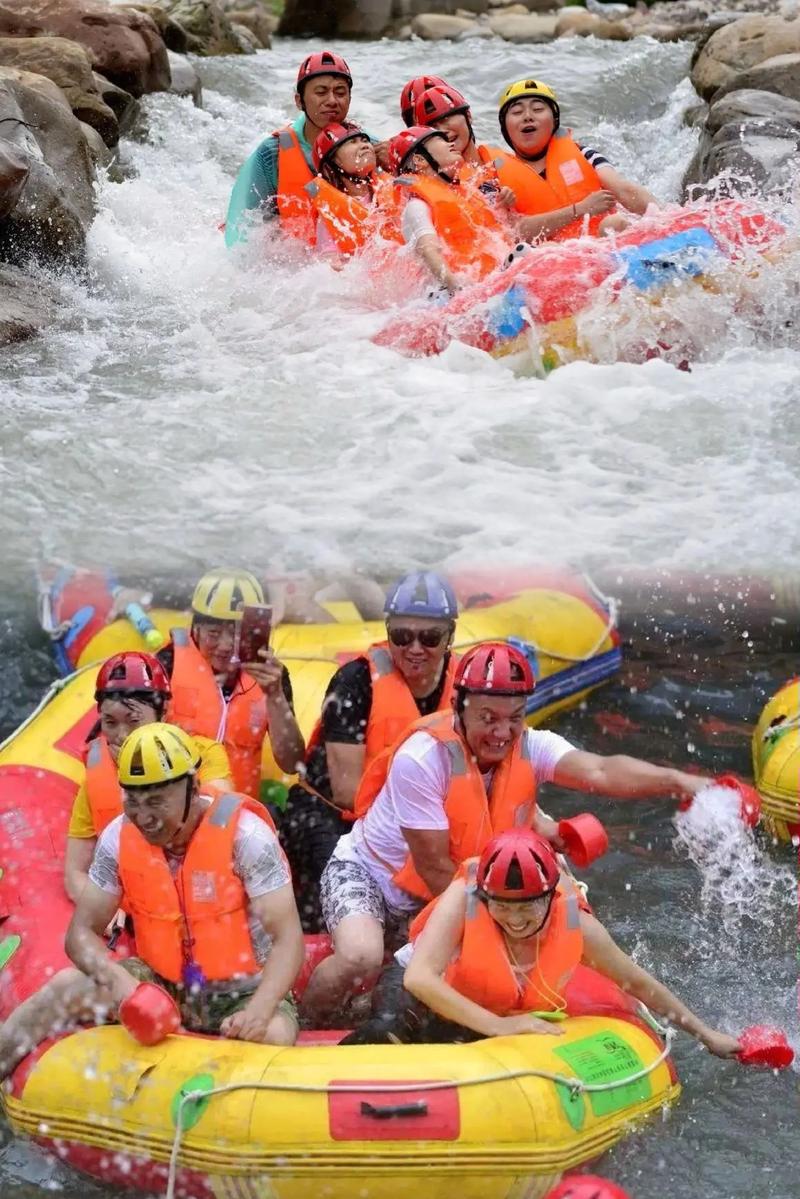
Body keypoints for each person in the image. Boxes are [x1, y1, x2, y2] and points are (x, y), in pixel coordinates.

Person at [302, 641, 711, 1023]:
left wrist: (679, 781)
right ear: (459, 708)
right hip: (370, 877)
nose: (502, 732)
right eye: (488, 718)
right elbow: (433, 869)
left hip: (451, 892)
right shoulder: (424, 758)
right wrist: (499, 929)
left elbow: (600, 770)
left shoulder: (532, 746)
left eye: (514, 718)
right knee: (361, 957)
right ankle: (310, 1025)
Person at [0, 724, 305, 1080]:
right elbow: (80, 935)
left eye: (156, 800)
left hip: (244, 989)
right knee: (63, 988)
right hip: (159, 982)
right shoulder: (118, 836)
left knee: (274, 1035)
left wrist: (260, 1009)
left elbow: (289, 939)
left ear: (191, 788)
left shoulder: (247, 836)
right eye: (133, 799)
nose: (143, 815)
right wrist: (124, 987)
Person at [398, 829, 741, 1059]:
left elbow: (636, 983)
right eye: (501, 906)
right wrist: (499, 1026)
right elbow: (418, 978)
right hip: (432, 1007)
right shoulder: (466, 898)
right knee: (387, 1030)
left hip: (502, 1029)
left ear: (551, 896)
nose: (514, 919)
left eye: (527, 907)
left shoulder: (577, 925)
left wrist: (707, 1035)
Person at [277, 571, 460, 931]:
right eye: (402, 636)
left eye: (430, 637)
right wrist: (419, 826)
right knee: (349, 908)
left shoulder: (464, 686)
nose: (415, 649)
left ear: (450, 637)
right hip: (332, 817)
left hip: (416, 820)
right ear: (388, 631)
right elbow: (348, 793)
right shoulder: (355, 682)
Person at [64, 651, 231, 904]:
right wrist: (103, 911)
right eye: (110, 722)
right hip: (141, 913)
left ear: (163, 713)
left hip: (204, 899)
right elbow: (75, 872)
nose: (121, 735)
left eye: (133, 721)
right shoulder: (96, 782)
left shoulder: (204, 756)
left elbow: (218, 818)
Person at [161, 569, 304, 800]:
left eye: (237, 633)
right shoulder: (166, 664)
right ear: (195, 629)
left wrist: (275, 696)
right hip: (178, 810)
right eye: (214, 633)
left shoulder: (274, 677)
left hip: (239, 815)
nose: (226, 646)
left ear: (255, 632)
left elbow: (292, 763)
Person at [492, 79, 659, 242]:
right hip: (550, 258)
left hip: (601, 245)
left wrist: (666, 217)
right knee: (540, 249)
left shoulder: (584, 155)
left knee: (615, 223)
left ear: (555, 120)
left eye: (537, 109)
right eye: (516, 112)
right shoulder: (498, 179)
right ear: (505, 127)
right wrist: (580, 209)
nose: (527, 116)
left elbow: (624, 190)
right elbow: (514, 233)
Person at [224, 50, 354, 247]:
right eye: (320, 92)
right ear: (299, 101)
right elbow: (245, 225)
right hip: (292, 259)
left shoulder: (367, 145)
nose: (332, 101)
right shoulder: (271, 152)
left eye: (340, 92)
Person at [388, 125, 509, 292]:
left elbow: (499, 236)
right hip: (447, 293)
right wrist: (455, 286)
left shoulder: (468, 194)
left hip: (484, 280)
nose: (450, 143)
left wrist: (504, 205)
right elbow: (428, 249)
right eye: (439, 140)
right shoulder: (417, 206)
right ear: (420, 160)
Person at [306, 122, 402, 260]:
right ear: (333, 163)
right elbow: (328, 261)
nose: (364, 145)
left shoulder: (392, 187)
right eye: (352, 142)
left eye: (364, 140)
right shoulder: (331, 214)